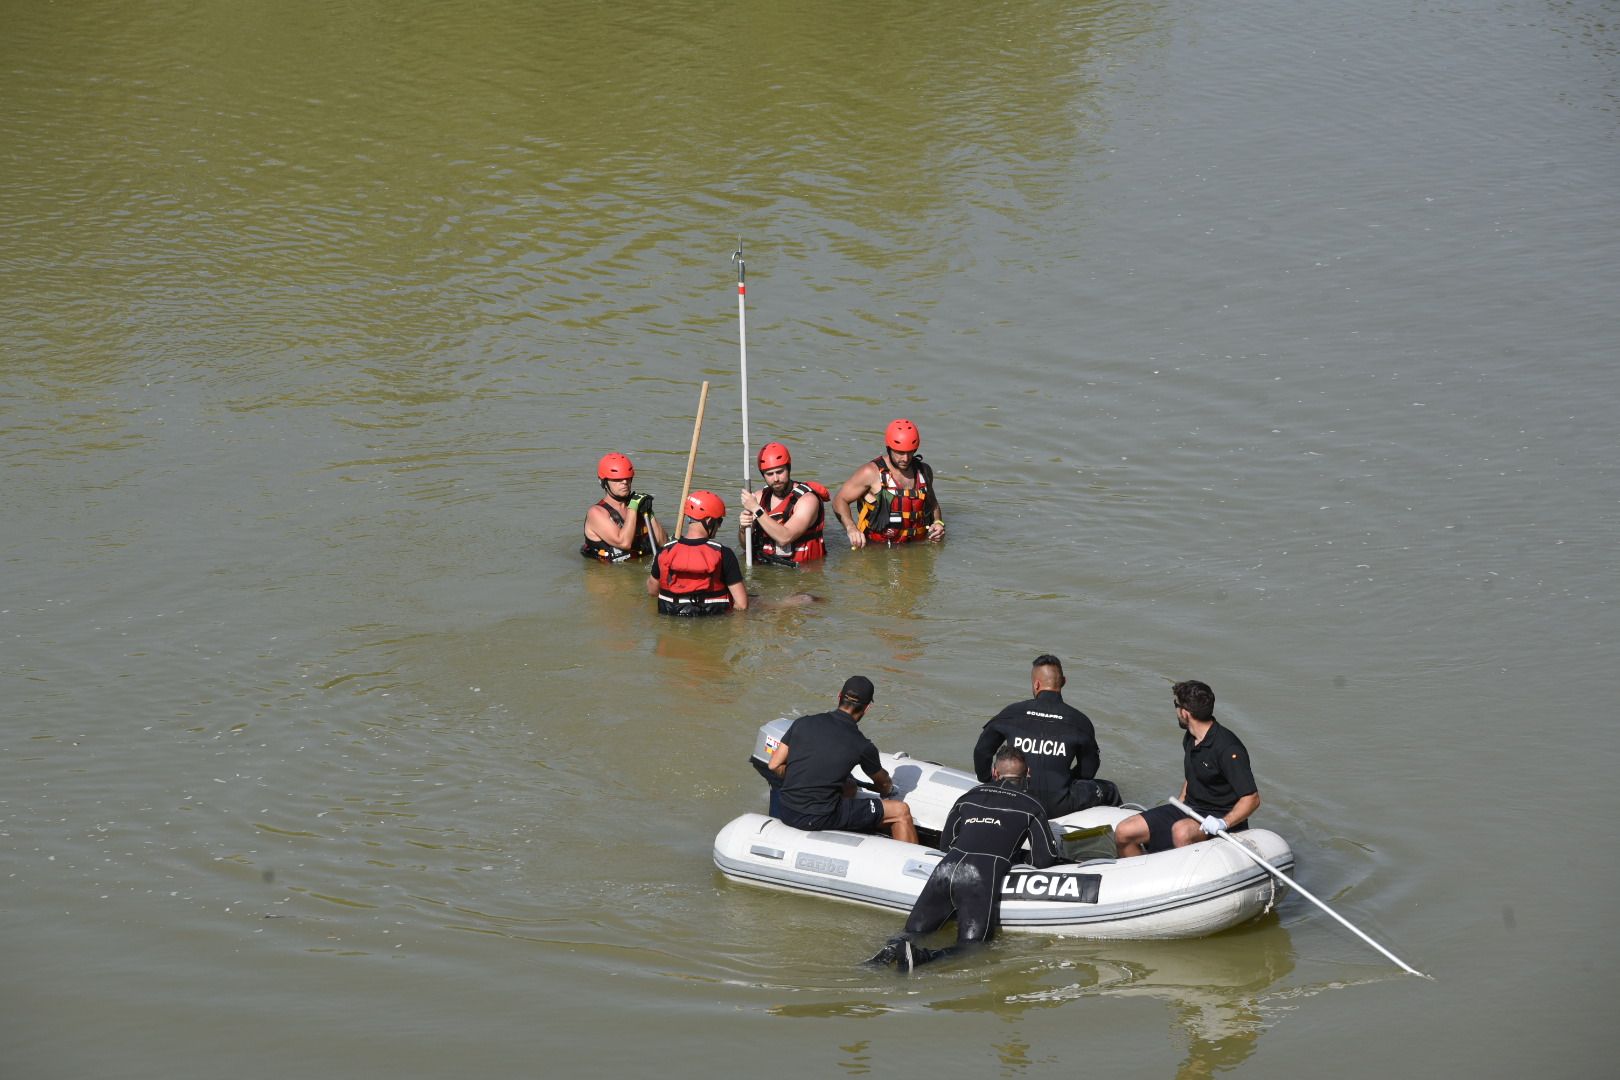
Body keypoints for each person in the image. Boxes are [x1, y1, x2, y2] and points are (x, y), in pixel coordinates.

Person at [868, 746, 1062, 973]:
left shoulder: (968, 796)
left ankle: (885, 955)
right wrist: (1015, 856)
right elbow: (1045, 860)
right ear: (1027, 773)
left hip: (946, 869)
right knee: (973, 948)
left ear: (995, 772)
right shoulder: (1032, 806)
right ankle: (923, 957)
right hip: (980, 877)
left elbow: (945, 845)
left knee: (913, 932)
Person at [1113, 680, 1261, 858]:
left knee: (1181, 832)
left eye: (1176, 705)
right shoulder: (1191, 737)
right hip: (1191, 808)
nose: (1175, 712)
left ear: (1185, 712)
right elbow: (1194, 774)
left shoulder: (1228, 749)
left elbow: (1252, 798)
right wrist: (1182, 802)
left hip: (1219, 817)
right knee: (1124, 831)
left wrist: (1224, 822)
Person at [766, 676, 917, 843]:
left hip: (786, 809)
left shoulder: (803, 723)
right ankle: (910, 865)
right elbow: (884, 785)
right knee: (901, 812)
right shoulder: (862, 745)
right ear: (867, 708)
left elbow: (774, 765)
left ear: (839, 696)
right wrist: (887, 791)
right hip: (818, 817)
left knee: (849, 786)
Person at [973, 654, 1121, 818]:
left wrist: (989, 781)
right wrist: (1066, 781)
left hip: (1015, 797)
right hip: (1060, 805)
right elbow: (1088, 771)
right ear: (1063, 682)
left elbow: (982, 751)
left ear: (1036, 684)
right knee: (1110, 789)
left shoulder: (1012, 713)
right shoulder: (1080, 721)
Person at [831, 418, 944, 548]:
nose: (905, 458)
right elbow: (839, 500)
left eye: (910, 452)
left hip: (916, 548)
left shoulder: (924, 471)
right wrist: (851, 528)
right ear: (889, 448)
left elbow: (933, 503)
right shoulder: (870, 473)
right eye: (900, 452)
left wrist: (938, 522)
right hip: (877, 549)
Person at [646, 490, 748, 616]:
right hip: (712, 621)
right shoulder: (723, 553)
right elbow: (742, 605)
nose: (719, 526)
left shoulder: (665, 551)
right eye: (719, 521)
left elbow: (652, 590)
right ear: (709, 520)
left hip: (671, 621)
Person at [737, 441, 830, 566]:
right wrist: (743, 528)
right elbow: (745, 546)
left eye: (780, 472)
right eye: (769, 474)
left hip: (801, 572)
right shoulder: (758, 498)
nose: (776, 479)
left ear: (788, 468)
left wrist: (757, 510)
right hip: (766, 567)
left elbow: (785, 538)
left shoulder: (807, 500)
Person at [581, 452, 667, 562]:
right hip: (610, 575)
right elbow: (624, 543)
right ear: (603, 482)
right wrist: (633, 507)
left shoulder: (636, 506)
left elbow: (663, 542)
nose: (624, 482)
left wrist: (649, 513)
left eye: (628, 478)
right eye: (617, 479)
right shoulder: (596, 513)